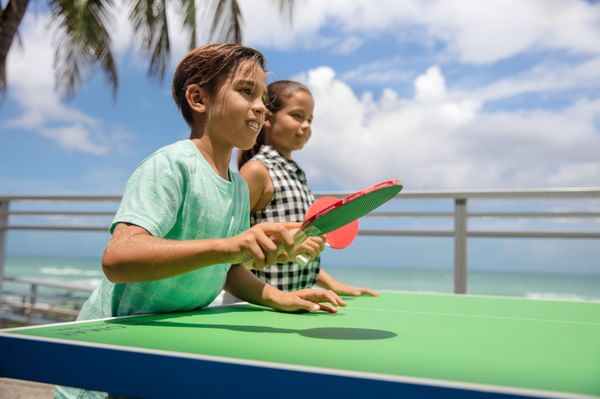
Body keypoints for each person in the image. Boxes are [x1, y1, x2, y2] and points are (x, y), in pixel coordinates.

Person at [54, 44, 345, 399]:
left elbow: (226, 269)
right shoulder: (171, 165)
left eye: (264, 99)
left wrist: (277, 297)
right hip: (110, 360)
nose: (259, 108)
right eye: (246, 91)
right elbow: (118, 259)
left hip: (164, 352)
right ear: (198, 98)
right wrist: (229, 246)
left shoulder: (237, 188)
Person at [238, 80, 378, 296]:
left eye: (310, 119)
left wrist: (331, 284)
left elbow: (300, 250)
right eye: (297, 116)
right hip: (260, 304)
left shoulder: (297, 176)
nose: (306, 126)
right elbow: (233, 243)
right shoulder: (258, 171)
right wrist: (288, 245)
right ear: (267, 117)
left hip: (299, 300)